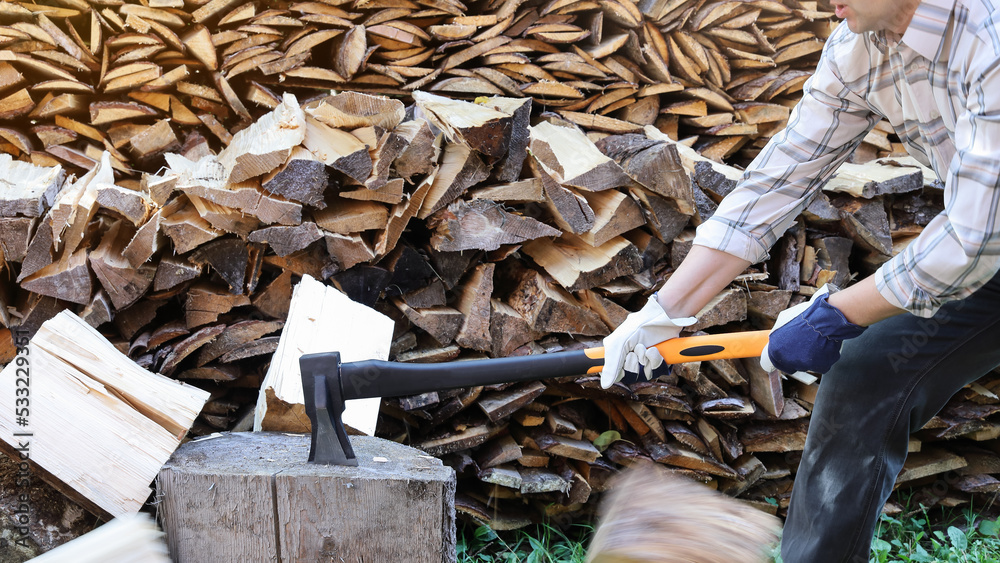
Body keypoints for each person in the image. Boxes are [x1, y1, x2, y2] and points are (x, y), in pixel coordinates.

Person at [600, 0, 1000, 561]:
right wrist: (663, 311)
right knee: (864, 374)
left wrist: (836, 315)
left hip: (983, 240)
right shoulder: (859, 45)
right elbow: (778, 181)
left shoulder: (989, 37)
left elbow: (974, 235)